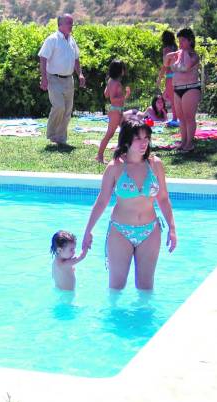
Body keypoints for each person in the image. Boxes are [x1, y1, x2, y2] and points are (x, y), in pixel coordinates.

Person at [82, 117, 177, 290]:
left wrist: (172, 228)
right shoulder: (115, 167)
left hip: (150, 230)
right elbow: (102, 201)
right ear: (127, 141)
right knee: (116, 287)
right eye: (138, 138)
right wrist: (88, 231)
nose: (144, 143)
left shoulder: (155, 165)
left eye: (146, 138)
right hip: (120, 231)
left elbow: (163, 198)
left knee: (146, 287)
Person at [39, 14, 86, 146]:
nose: (71, 25)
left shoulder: (72, 40)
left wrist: (80, 74)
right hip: (53, 78)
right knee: (59, 107)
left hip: (69, 79)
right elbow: (43, 58)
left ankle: (61, 138)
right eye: (69, 23)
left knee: (67, 110)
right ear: (60, 24)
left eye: (72, 23)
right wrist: (43, 78)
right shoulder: (52, 39)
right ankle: (52, 134)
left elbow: (76, 58)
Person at [163, 28, 201, 152]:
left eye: (183, 40)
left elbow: (186, 67)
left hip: (190, 89)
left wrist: (184, 52)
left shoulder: (194, 55)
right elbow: (166, 64)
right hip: (177, 89)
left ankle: (190, 143)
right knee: (181, 118)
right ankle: (183, 142)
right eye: (179, 40)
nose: (180, 43)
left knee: (189, 117)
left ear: (190, 41)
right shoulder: (178, 54)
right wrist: (169, 55)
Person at [96, 59, 130, 163]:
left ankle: (124, 154)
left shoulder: (111, 81)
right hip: (116, 111)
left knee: (127, 131)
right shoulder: (116, 83)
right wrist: (125, 96)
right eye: (123, 68)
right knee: (109, 134)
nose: (124, 70)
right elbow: (112, 99)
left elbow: (106, 94)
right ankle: (99, 156)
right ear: (120, 70)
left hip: (116, 110)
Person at [156, 30, 178, 125]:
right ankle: (176, 117)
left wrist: (159, 78)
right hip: (178, 75)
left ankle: (175, 118)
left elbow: (165, 66)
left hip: (170, 76)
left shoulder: (166, 50)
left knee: (172, 99)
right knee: (170, 96)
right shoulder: (175, 48)